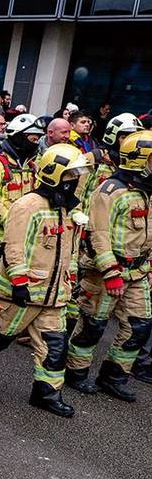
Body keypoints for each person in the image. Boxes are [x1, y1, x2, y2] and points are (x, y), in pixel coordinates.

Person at [0, 144, 86, 417]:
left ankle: (47, 393)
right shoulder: (27, 205)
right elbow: (13, 246)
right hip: (24, 292)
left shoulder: (67, 209)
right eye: (70, 176)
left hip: (53, 296)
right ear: (55, 175)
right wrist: (19, 283)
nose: (74, 182)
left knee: (54, 345)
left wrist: (70, 279)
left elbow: (70, 249)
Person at [64, 129, 152, 401]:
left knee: (139, 325)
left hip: (137, 272)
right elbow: (97, 234)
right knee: (93, 325)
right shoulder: (111, 190)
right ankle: (75, 373)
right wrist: (111, 273)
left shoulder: (148, 191)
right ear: (140, 159)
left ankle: (113, 376)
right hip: (106, 273)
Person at [0, 113, 43, 273]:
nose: (35, 143)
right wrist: (17, 223)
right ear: (19, 137)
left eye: (37, 140)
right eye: (32, 139)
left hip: (21, 241)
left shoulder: (33, 167)